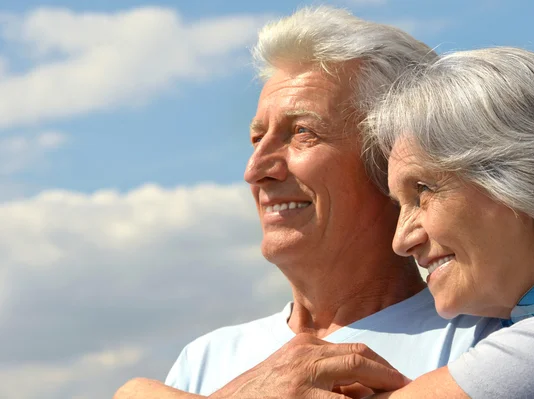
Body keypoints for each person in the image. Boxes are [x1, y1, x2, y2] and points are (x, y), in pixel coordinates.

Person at [113, 6, 499, 399]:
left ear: (395, 159)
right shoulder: (203, 359)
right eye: (256, 137)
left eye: (301, 132)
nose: (255, 169)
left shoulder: (487, 345)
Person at [365, 46, 534, 398]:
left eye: (423, 191)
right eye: (400, 204)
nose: (401, 240)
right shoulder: (514, 318)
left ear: (529, 175)